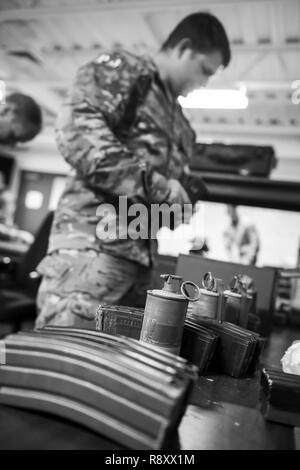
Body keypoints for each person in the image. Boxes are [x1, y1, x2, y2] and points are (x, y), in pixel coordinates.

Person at [35, 12, 231, 329]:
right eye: (204, 70)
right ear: (184, 48)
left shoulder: (179, 124)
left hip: (138, 263)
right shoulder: (127, 72)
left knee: (114, 373)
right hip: (91, 253)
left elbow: (154, 198)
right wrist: (161, 188)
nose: (204, 82)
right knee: (63, 366)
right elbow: (76, 134)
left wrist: (176, 207)